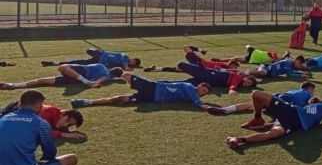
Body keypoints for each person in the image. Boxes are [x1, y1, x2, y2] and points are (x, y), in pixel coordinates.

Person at [225, 90, 322, 150]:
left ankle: (237, 139)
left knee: (272, 135)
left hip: (292, 123)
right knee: (256, 94)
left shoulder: (318, 114)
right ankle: (257, 118)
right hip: (292, 113)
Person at [0, 90, 78, 165]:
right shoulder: (41, 122)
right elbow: (50, 152)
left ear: (20, 104)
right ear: (38, 106)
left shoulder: (3, 118)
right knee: (72, 159)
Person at [70, 73, 214, 110]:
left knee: (120, 99)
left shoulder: (190, 96)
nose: (202, 93)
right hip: (152, 87)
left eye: (204, 93)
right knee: (125, 74)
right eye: (203, 89)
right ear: (199, 86)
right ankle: (107, 76)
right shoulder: (190, 88)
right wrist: (204, 106)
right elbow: (196, 102)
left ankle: (86, 102)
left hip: (151, 98)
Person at [206, 81, 316, 116]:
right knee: (286, 115)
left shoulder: (296, 90)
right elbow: (314, 102)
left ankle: (226, 109)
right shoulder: (307, 93)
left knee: (252, 104)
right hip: (286, 100)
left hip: (279, 95)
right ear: (310, 88)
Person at [0, 101, 86, 140]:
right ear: (63, 114)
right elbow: (39, 132)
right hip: (15, 110)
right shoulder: (48, 112)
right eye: (67, 120)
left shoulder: (60, 121)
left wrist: (72, 133)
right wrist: (66, 135)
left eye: (69, 125)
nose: (65, 125)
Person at [0, 64, 123, 90]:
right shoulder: (107, 76)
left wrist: (89, 82)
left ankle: (14, 85)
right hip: (74, 77)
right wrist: (95, 83)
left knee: (61, 67)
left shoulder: (103, 68)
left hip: (80, 71)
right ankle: (13, 85)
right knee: (42, 81)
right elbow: (99, 82)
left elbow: (99, 81)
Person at [175, 61, 257, 95]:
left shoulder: (239, 82)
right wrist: (232, 90)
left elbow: (234, 85)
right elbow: (233, 85)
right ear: (246, 78)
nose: (247, 84)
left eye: (249, 85)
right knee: (181, 64)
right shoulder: (239, 77)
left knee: (182, 84)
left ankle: (162, 83)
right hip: (207, 74)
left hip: (206, 82)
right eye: (248, 82)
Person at [144, 46, 240, 72]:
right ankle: (201, 50)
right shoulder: (226, 66)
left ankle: (156, 69)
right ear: (232, 64)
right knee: (187, 48)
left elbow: (230, 70)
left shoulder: (227, 69)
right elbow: (225, 63)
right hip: (200, 63)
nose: (235, 69)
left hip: (201, 67)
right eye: (235, 66)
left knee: (178, 69)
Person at [41, 48, 140, 70]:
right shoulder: (125, 57)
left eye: (134, 63)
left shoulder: (121, 65)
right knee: (88, 50)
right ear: (132, 58)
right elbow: (124, 60)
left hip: (99, 61)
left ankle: (53, 63)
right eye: (133, 61)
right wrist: (127, 67)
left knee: (80, 63)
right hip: (101, 54)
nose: (132, 62)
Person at [215, 45, 280, 65]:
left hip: (252, 55)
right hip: (252, 57)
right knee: (235, 59)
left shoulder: (272, 60)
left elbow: (275, 58)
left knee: (235, 59)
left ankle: (220, 60)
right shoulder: (272, 60)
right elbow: (275, 59)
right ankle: (220, 60)